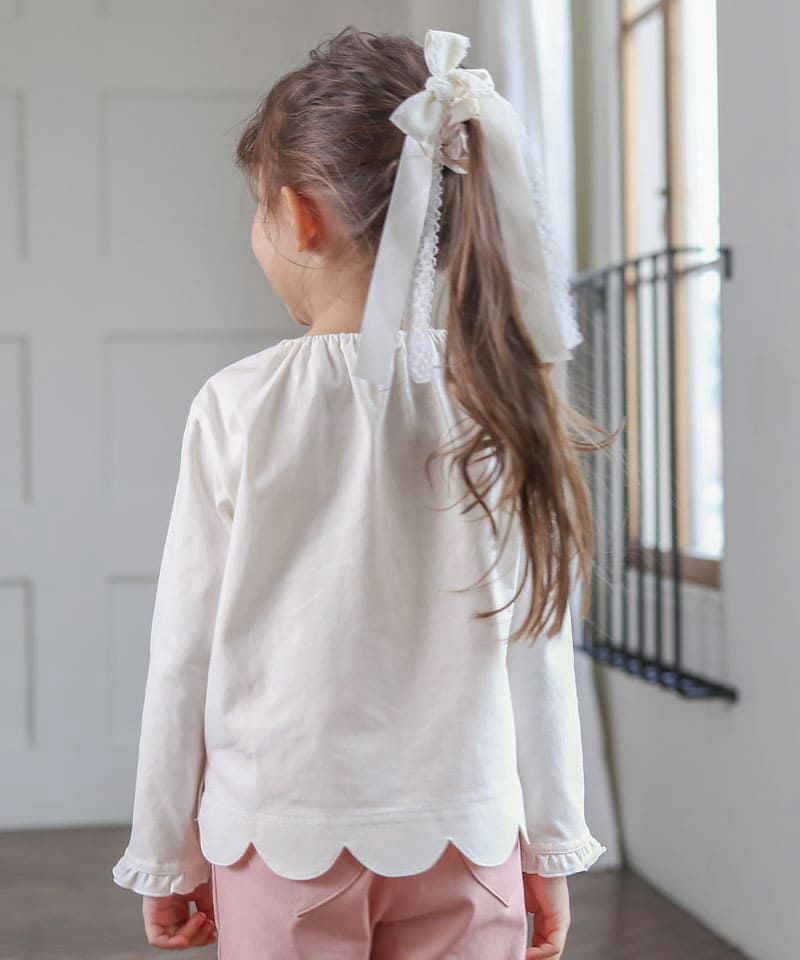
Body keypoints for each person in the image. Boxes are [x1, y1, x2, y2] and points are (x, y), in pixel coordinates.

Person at [111, 26, 609, 960]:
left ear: (298, 217)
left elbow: (183, 655)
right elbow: (537, 646)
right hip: (469, 835)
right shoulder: (498, 401)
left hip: (279, 842)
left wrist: (167, 853)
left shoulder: (237, 406)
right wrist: (549, 845)